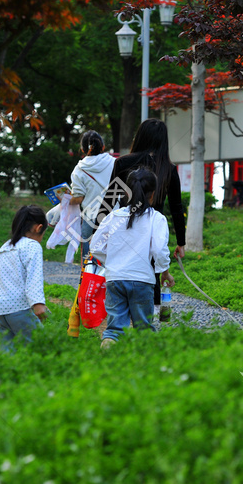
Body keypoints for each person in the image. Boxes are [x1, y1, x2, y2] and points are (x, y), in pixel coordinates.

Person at [97, 118, 186, 305]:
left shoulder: (122, 163)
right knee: (148, 275)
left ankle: (120, 318)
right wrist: (181, 242)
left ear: (140, 137)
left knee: (121, 272)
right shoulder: (169, 169)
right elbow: (177, 208)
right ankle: (144, 322)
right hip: (151, 232)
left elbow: (109, 200)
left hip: (124, 229)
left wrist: (98, 229)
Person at [91, 169, 174, 350]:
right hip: (142, 280)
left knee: (114, 329)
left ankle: (107, 361)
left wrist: (113, 261)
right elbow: (159, 250)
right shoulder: (156, 219)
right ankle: (144, 366)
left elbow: (95, 247)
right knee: (144, 328)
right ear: (153, 194)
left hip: (115, 279)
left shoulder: (113, 217)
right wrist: (164, 272)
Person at [0, 205, 49, 351]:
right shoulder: (32, 246)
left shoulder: (5, 246)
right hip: (19, 309)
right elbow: (34, 277)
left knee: (2, 359)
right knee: (41, 351)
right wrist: (38, 303)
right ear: (38, 228)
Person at [69, 130, 116, 261]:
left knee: (89, 264)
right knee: (113, 261)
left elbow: (78, 198)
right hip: (115, 218)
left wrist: (65, 199)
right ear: (103, 147)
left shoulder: (79, 169)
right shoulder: (115, 163)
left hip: (91, 221)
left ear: (82, 149)